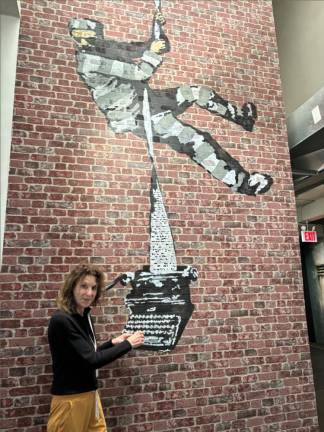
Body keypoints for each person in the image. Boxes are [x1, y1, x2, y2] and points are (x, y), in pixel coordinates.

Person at [68, 12, 273, 196]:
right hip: (135, 115)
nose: (94, 39)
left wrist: (157, 30)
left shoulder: (104, 48)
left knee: (196, 92)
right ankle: (243, 184)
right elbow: (141, 73)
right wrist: (154, 52)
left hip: (148, 101)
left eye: (94, 35)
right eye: (86, 36)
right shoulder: (89, 60)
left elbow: (141, 48)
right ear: (80, 38)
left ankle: (242, 119)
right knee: (195, 140)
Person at [47, 263, 144, 432]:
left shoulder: (84, 315)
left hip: (90, 395)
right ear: (72, 287)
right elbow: (91, 360)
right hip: (70, 400)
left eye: (93, 288)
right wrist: (128, 344)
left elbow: (85, 354)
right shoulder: (62, 320)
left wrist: (114, 342)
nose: (89, 293)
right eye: (83, 286)